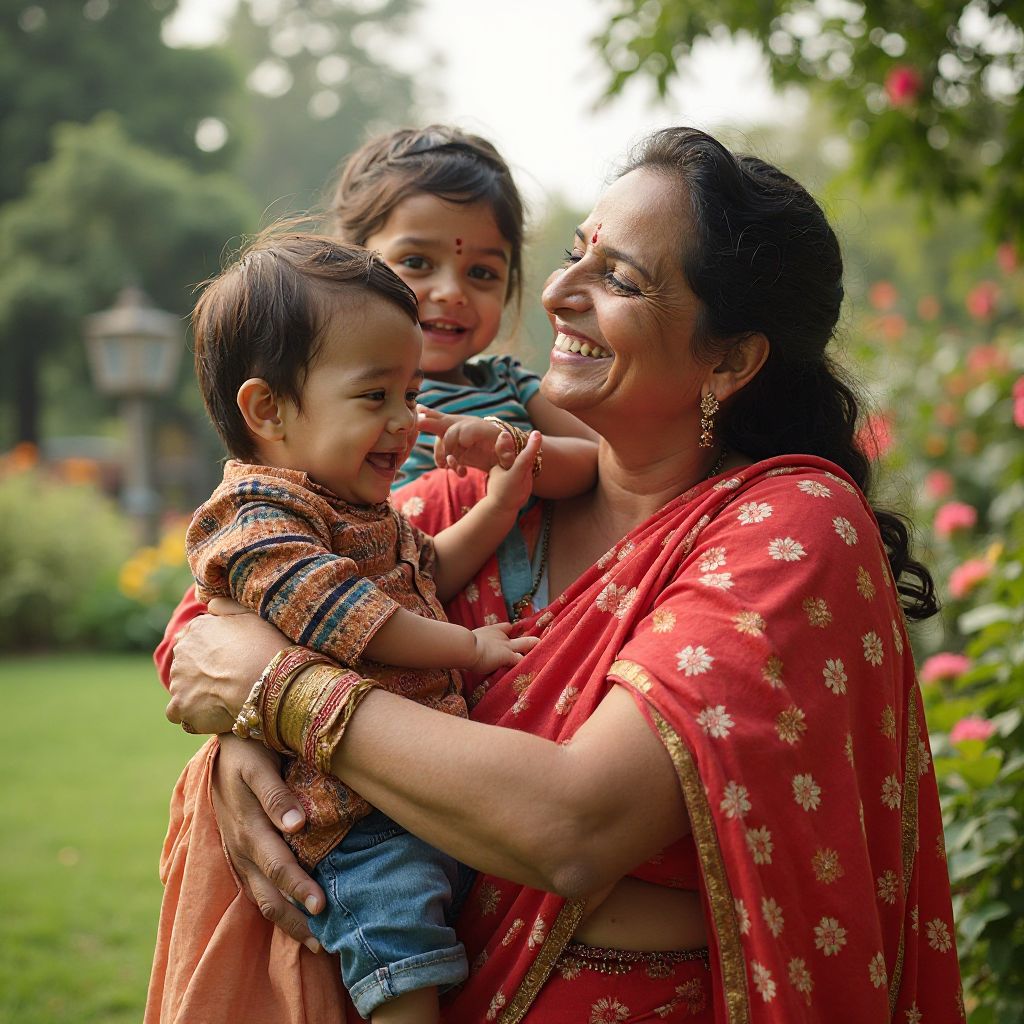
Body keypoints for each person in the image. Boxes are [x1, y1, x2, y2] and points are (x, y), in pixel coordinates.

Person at [151, 127, 964, 1024]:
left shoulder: (787, 526)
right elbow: (213, 625)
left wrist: (282, 700)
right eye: (576, 254)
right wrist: (242, 746)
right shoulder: (481, 497)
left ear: (729, 359)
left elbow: (577, 827)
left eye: (618, 279)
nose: (559, 293)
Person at [183, 231, 543, 1023]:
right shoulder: (261, 519)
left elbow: (425, 577)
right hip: (357, 826)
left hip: (413, 796)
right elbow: (358, 621)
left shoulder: (353, 507)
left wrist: (496, 509)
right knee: (405, 970)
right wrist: (473, 647)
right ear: (267, 408)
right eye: (375, 397)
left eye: (410, 395)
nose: (406, 422)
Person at [326, 124, 597, 494]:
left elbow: (599, 460)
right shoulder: (331, 389)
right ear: (352, 264)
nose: (452, 293)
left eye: (481, 273)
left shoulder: (510, 384)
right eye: (418, 262)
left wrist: (508, 446)